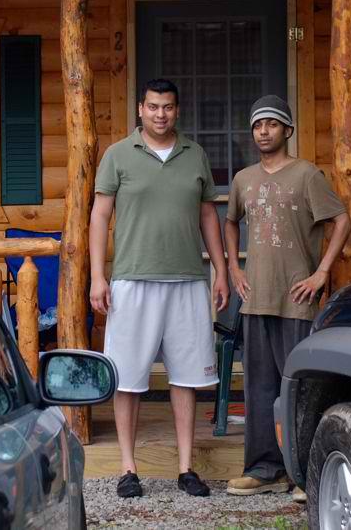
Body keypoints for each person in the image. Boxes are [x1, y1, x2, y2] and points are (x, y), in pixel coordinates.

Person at [89, 79, 230, 500]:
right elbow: (99, 217)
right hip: (132, 280)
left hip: (187, 279)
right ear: (140, 110)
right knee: (128, 378)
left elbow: (209, 216)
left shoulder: (195, 155)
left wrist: (220, 270)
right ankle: (128, 468)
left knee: (186, 377)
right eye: (153, 107)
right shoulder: (117, 156)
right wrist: (99, 276)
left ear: (177, 111)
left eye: (167, 107)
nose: (160, 114)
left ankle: (186, 468)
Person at [224, 95, 351, 501]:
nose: (264, 131)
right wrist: (233, 267)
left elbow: (342, 219)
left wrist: (321, 272)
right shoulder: (244, 179)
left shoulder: (307, 174)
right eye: (258, 125)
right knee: (259, 389)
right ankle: (264, 470)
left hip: (296, 298)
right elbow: (229, 222)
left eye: (272, 124)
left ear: (287, 130)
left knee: (298, 388)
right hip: (256, 298)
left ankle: (303, 474)